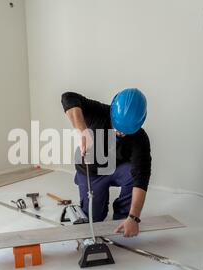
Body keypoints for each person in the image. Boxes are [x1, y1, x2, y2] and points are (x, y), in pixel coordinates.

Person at [61, 88, 152, 237]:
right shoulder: (100, 112)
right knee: (94, 220)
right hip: (90, 171)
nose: (120, 133)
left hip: (116, 169)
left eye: (125, 131)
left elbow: (141, 178)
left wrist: (133, 217)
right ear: (112, 114)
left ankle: (122, 216)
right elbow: (68, 97)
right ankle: (85, 185)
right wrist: (82, 131)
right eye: (117, 128)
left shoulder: (140, 139)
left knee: (132, 174)